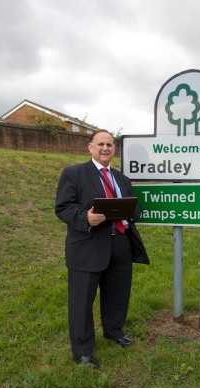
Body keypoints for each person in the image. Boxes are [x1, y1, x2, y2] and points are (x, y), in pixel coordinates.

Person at [55, 129, 149, 369]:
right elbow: (63, 207)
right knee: (82, 300)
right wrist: (85, 217)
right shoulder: (74, 174)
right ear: (90, 147)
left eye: (110, 144)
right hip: (88, 245)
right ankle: (82, 351)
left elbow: (135, 209)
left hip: (120, 243)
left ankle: (114, 331)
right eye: (101, 144)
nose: (106, 148)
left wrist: (129, 211)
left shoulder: (121, 178)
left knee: (118, 293)